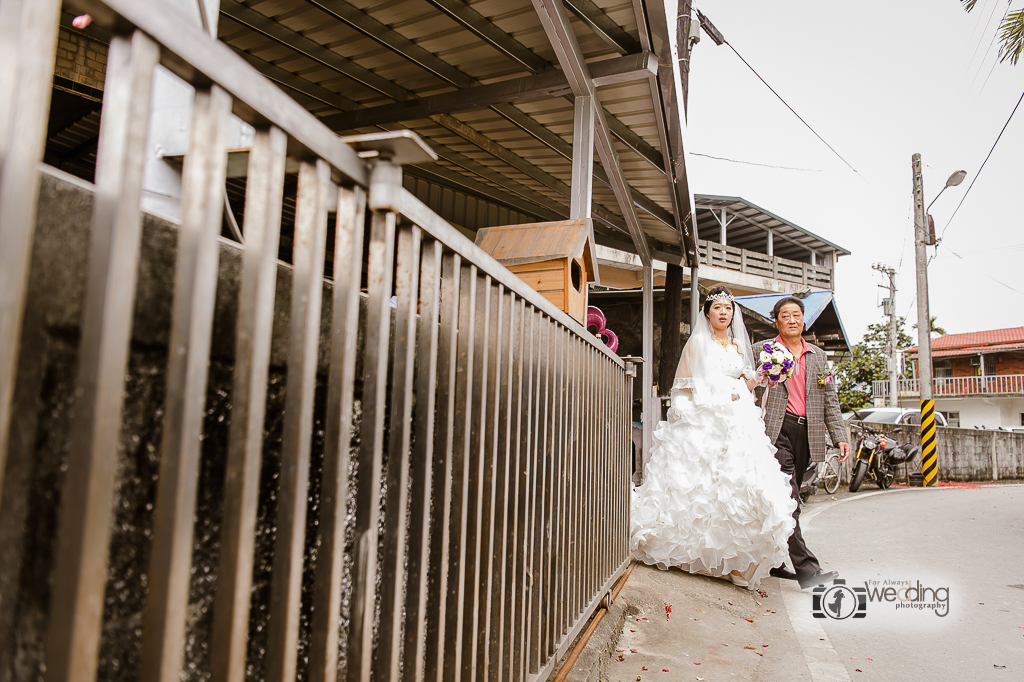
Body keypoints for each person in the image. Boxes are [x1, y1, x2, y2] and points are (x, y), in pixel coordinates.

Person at [630, 286, 797, 588]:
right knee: (702, 489)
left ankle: (731, 560)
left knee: (737, 487)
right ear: (707, 312)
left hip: (739, 419)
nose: (723, 312)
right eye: (717, 307)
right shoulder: (697, 344)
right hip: (706, 418)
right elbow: (685, 386)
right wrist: (725, 394)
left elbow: (744, 385)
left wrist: (760, 376)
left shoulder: (736, 346)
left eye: (728, 308)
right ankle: (696, 554)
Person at [757, 296, 850, 589]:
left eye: (797, 315)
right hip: (776, 430)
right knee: (790, 499)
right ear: (777, 321)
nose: (792, 320)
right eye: (786, 316)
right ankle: (808, 570)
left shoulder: (819, 357)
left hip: (807, 434)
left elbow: (829, 401)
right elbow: (747, 384)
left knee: (778, 501)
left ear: (804, 320)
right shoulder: (763, 350)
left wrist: (840, 436)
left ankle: (770, 560)